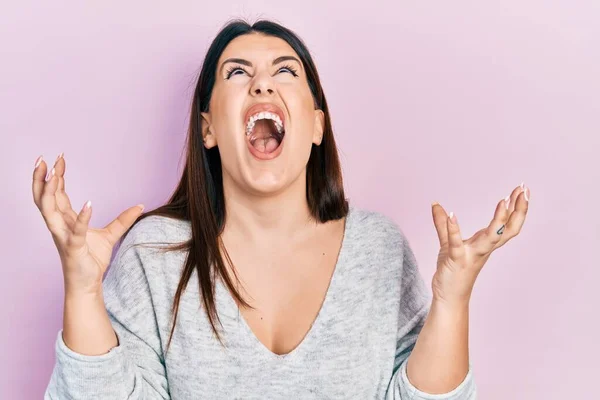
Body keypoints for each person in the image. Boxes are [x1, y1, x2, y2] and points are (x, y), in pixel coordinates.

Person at [34, 19, 529, 399]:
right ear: (207, 129)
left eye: (285, 71)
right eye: (237, 73)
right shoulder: (155, 253)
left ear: (316, 126)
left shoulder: (378, 248)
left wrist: (452, 300)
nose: (262, 85)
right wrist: (81, 291)